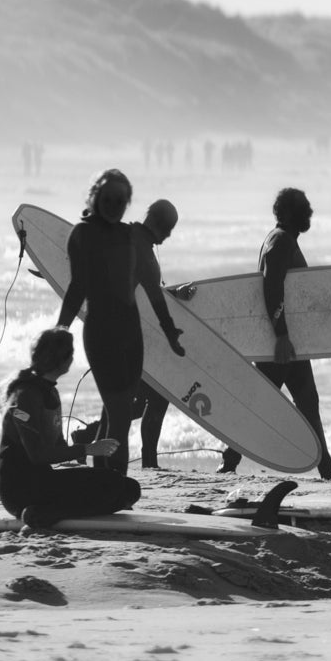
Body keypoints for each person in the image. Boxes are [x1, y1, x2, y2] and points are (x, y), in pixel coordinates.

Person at [214, 188, 331, 481]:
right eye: (304, 208)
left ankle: (230, 458)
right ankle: (325, 469)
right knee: (291, 402)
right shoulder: (281, 241)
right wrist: (282, 335)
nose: (310, 212)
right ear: (287, 213)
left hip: (281, 340)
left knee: (274, 403)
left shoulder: (282, 240)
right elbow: (271, 286)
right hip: (280, 342)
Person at [55, 169, 183, 476]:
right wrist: (61, 329)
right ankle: (115, 486)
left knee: (115, 416)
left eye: (121, 200)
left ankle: (103, 480)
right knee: (120, 418)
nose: (114, 204)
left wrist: (169, 333)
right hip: (102, 335)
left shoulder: (129, 237)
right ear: (97, 196)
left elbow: (155, 292)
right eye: (108, 198)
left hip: (131, 335)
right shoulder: (82, 235)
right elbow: (77, 288)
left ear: (128, 203)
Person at [0, 326, 139, 530]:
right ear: (64, 360)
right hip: (19, 490)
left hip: (43, 480)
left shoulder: (49, 392)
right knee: (114, 489)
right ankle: (43, 514)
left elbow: (57, 447)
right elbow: (37, 455)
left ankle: (51, 509)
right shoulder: (25, 395)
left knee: (127, 488)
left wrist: (82, 462)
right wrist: (87, 449)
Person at [132, 198, 183, 470]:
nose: (170, 234)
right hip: (127, 337)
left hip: (121, 333)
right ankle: (147, 462)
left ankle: (91, 442)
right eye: (170, 228)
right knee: (150, 398)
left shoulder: (125, 235)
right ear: (161, 225)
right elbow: (155, 299)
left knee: (137, 402)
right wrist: (171, 333)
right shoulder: (144, 253)